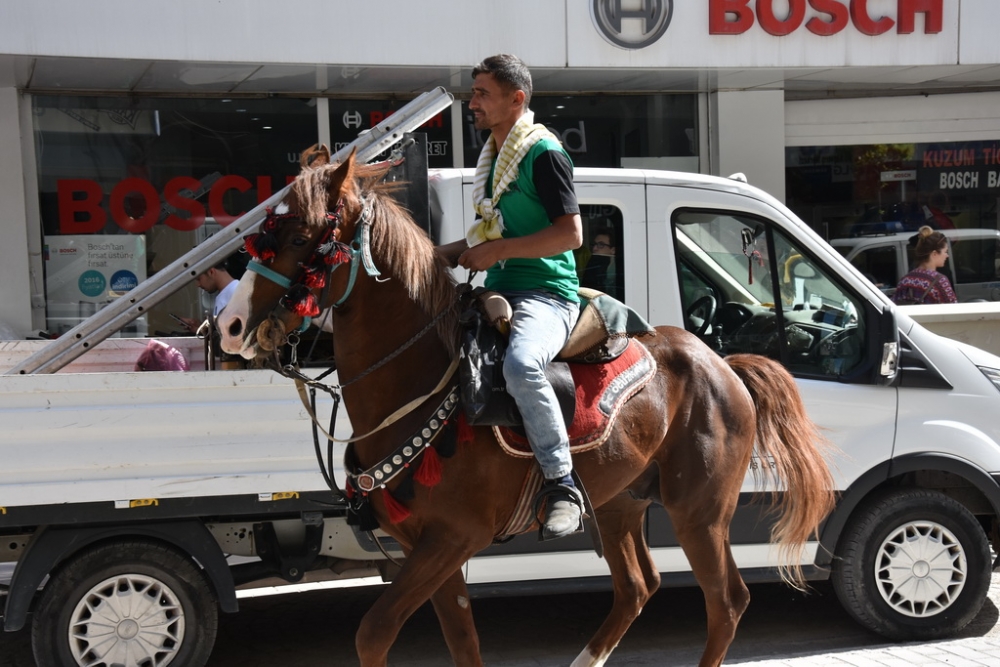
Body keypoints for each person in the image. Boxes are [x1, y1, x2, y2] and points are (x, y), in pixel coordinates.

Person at [439, 54, 584, 540]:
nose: (471, 101)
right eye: (473, 91)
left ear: (516, 99)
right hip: (499, 290)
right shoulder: (496, 156)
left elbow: (571, 235)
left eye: (482, 93)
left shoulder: (543, 153)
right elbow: (489, 236)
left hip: (546, 295)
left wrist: (496, 250)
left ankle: (563, 485)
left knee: (522, 365)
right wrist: (433, 256)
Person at [892, 226, 958, 305]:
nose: (947, 255)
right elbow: (953, 309)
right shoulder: (940, 281)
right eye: (945, 252)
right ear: (934, 254)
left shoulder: (905, 280)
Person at [176, 260, 238, 332]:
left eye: (199, 279)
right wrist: (202, 328)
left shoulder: (236, 293)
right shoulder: (225, 294)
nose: (198, 284)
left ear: (211, 272)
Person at [581, 229, 618, 298]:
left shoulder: (619, 267)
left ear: (613, 250)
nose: (595, 248)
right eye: (594, 244)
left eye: (601, 245)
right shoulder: (592, 264)